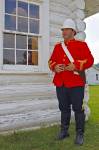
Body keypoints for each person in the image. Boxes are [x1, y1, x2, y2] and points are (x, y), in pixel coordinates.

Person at [48, 18, 94, 145]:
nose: (64, 32)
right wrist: (54, 67)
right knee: (64, 108)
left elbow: (90, 60)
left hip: (76, 83)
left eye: (66, 29)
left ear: (73, 31)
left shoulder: (81, 45)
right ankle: (64, 131)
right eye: (63, 30)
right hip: (60, 83)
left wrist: (76, 65)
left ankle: (80, 134)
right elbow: (51, 61)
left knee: (78, 109)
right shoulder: (58, 47)